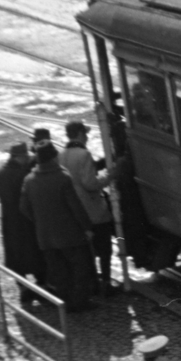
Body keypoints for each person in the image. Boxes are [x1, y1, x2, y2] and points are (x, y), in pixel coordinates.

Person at [19, 142, 95, 311]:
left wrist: (40, 221)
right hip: (70, 235)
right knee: (80, 268)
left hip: (45, 237)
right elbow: (75, 206)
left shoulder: (29, 180)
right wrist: (87, 227)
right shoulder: (62, 177)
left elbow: (23, 208)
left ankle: (65, 303)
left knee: (58, 271)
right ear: (53, 157)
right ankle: (80, 302)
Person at [62, 120, 115, 294]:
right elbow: (90, 184)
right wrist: (108, 176)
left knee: (87, 252)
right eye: (84, 133)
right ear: (78, 134)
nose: (87, 136)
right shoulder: (84, 154)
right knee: (104, 249)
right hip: (93, 210)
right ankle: (106, 283)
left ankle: (92, 283)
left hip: (75, 211)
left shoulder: (61, 154)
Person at [0, 143, 44, 305]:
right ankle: (41, 286)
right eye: (26, 157)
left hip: (10, 221)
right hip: (26, 221)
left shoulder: (0, 173)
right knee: (34, 254)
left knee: (16, 255)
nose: (27, 159)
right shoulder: (22, 174)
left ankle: (22, 288)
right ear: (19, 157)